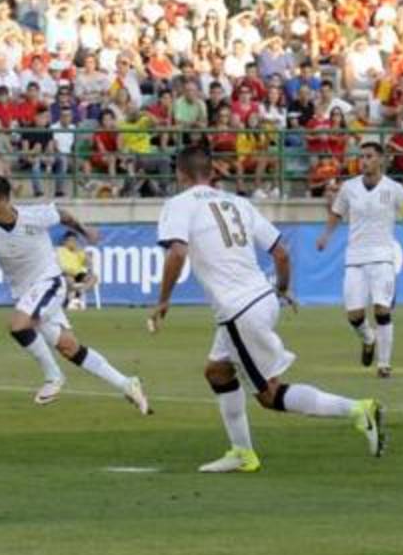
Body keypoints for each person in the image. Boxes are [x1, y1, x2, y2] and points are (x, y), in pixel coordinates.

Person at [151, 147, 385, 473]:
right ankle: (241, 452)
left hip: (238, 310)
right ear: (211, 172)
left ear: (180, 174)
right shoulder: (239, 203)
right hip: (261, 298)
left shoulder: (178, 204)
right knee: (217, 372)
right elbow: (281, 253)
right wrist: (284, 290)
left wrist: (163, 299)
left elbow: (177, 252)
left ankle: (358, 410)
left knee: (268, 395)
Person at [0, 177, 150, 409]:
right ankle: (126, 383)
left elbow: (63, 216)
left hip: (49, 282)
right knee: (68, 347)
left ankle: (53, 377)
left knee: (18, 325)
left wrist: (84, 231)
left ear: (4, 200)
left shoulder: (33, 216)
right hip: (25, 293)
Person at [314, 142, 403, 377]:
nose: (364, 161)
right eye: (361, 157)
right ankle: (368, 338)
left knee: (382, 310)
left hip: (382, 258)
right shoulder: (349, 188)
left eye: (369, 156)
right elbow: (337, 213)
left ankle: (384, 364)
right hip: (355, 258)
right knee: (355, 316)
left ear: (380, 159)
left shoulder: (396, 189)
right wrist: (325, 235)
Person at [57, 231, 98, 310]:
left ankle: (80, 292)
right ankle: (70, 300)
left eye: (74, 241)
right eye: (71, 240)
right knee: (69, 279)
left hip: (78, 274)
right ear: (65, 241)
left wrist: (87, 257)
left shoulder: (78, 251)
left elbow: (88, 263)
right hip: (66, 274)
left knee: (94, 277)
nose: (73, 242)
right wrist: (64, 271)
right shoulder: (60, 250)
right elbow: (58, 265)